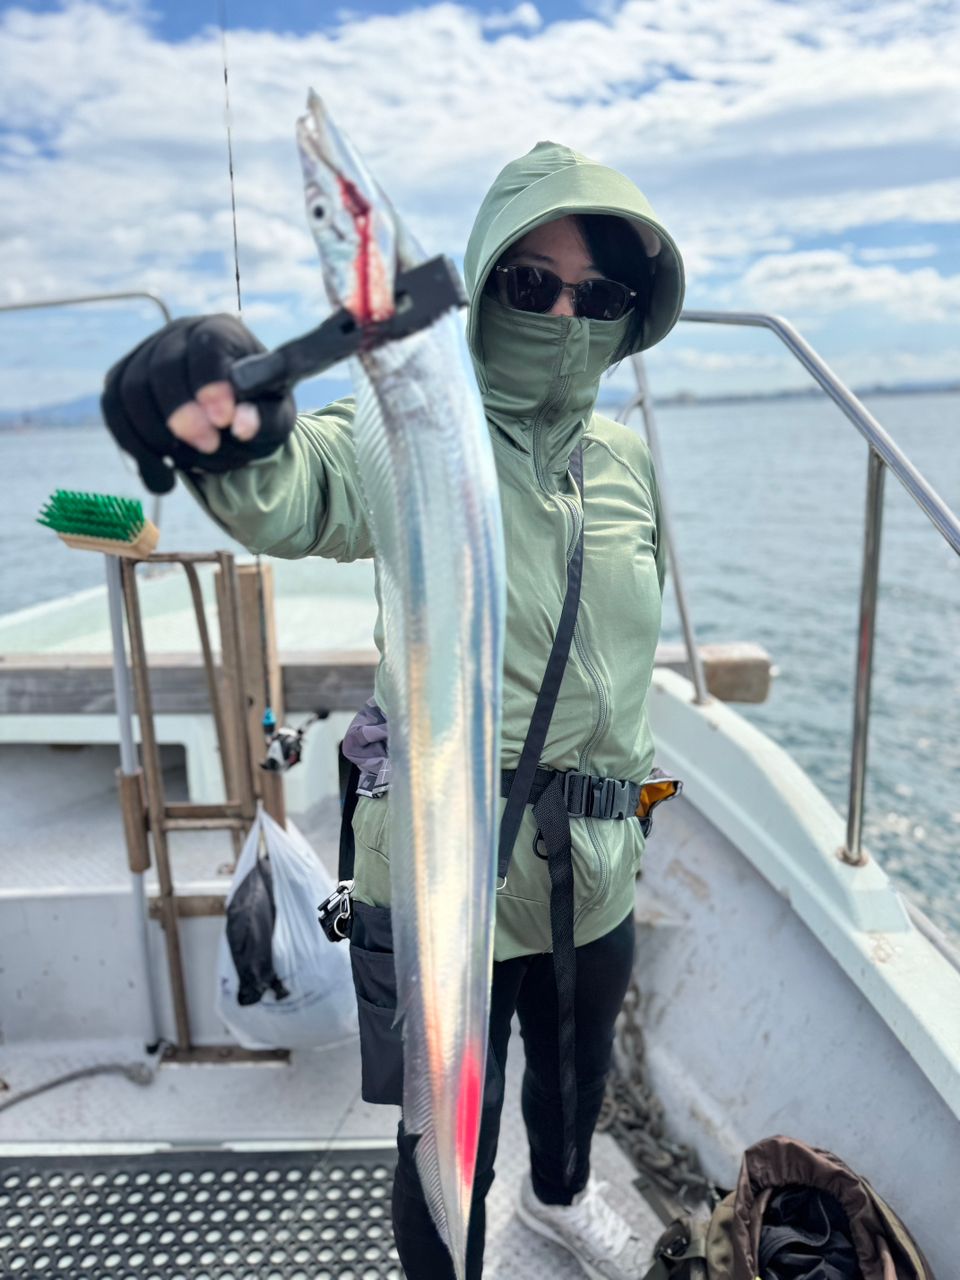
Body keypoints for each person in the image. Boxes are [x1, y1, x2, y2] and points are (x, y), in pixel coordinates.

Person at [102, 139, 685, 1280]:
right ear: (481, 286)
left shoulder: (622, 459)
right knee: (443, 1125)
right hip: (444, 870)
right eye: (532, 282)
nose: (565, 314)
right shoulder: (415, 433)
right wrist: (236, 432)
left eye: (600, 294)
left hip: (597, 859)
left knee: (577, 1076)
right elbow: (295, 488)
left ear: (631, 313)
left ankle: (563, 1198)